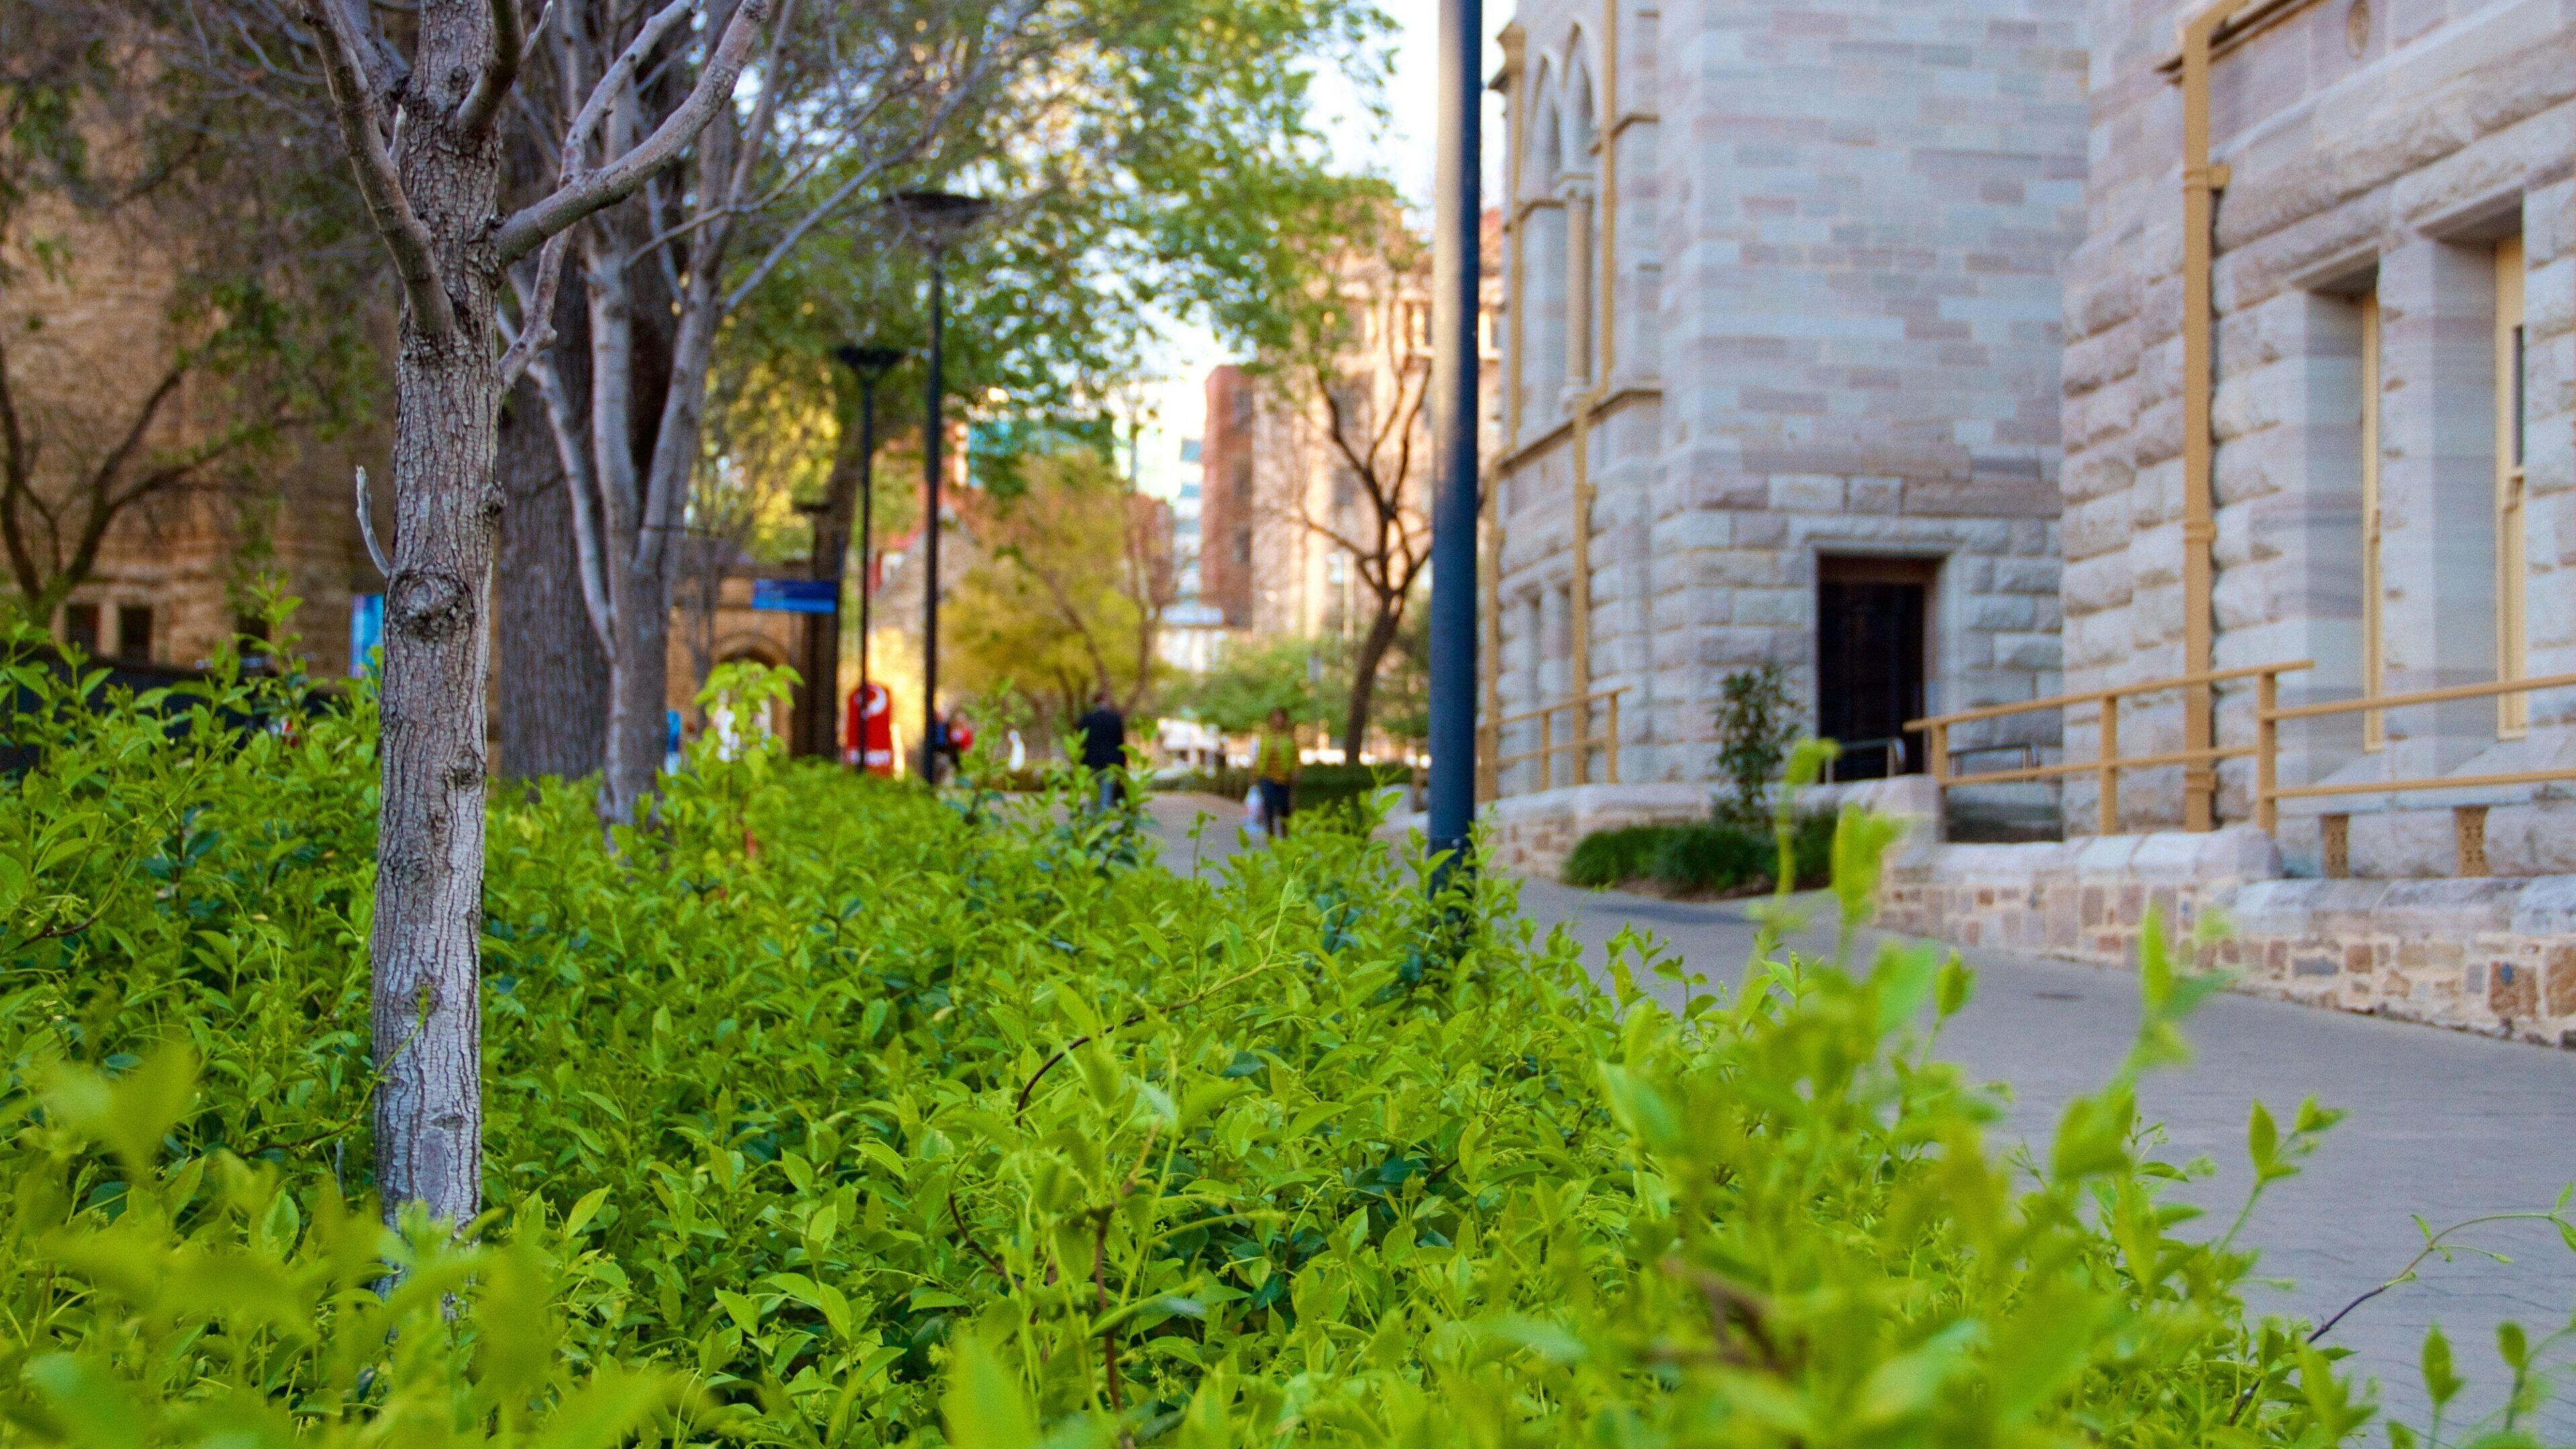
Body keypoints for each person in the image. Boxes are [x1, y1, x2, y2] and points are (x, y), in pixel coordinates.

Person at [1252, 706, 1298, 840]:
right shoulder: (1266, 738)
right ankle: (1271, 834)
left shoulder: (1289, 738)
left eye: (1280, 717)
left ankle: (1285, 834)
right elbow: (1260, 756)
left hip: (1284, 777)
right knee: (1269, 805)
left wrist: (1296, 771)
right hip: (1267, 776)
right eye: (1275, 717)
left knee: (1284, 807)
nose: (1277, 720)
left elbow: (1296, 757)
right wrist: (1255, 772)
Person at [1077, 689, 1127, 810]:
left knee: (1094, 796)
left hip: (1091, 762)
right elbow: (1120, 743)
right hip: (1110, 762)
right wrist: (1122, 764)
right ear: (1106, 701)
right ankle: (1103, 823)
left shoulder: (1086, 720)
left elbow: (1081, 743)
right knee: (1106, 796)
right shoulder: (1115, 719)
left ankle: (1094, 822)